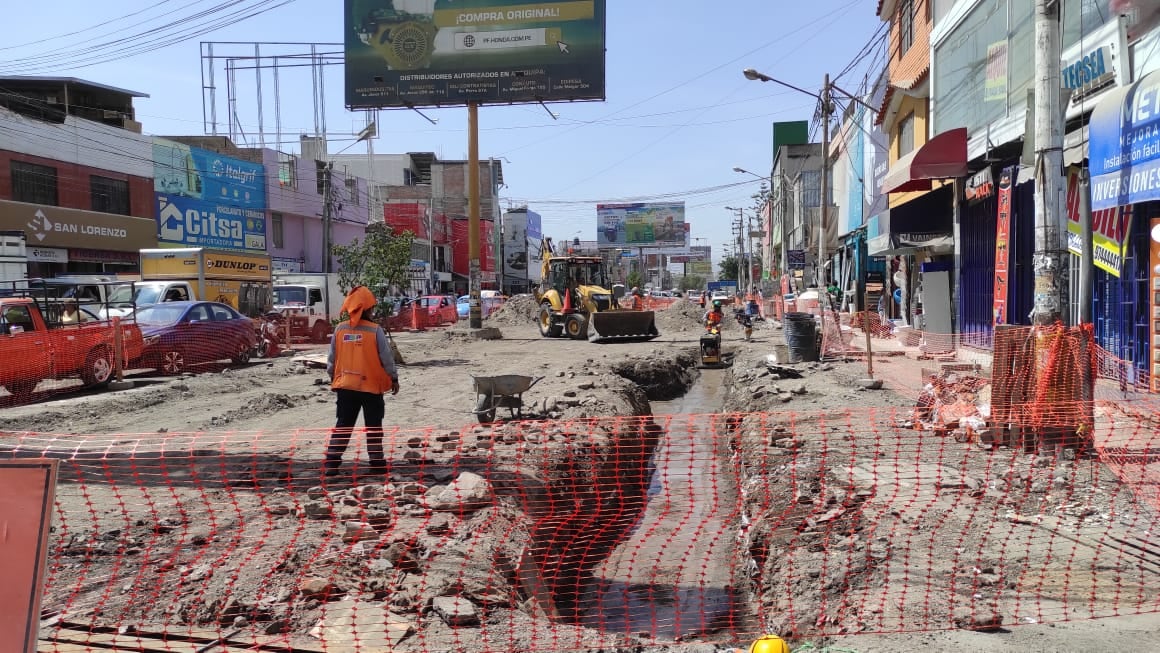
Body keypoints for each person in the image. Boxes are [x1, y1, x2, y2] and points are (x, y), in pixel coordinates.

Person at [324, 286, 400, 477]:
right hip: (371, 388)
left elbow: (332, 359)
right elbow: (386, 358)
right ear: (368, 309)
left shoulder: (340, 329)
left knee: (343, 424)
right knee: (374, 425)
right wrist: (394, 378)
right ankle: (376, 463)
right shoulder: (375, 330)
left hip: (345, 387)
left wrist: (333, 376)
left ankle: (332, 463)